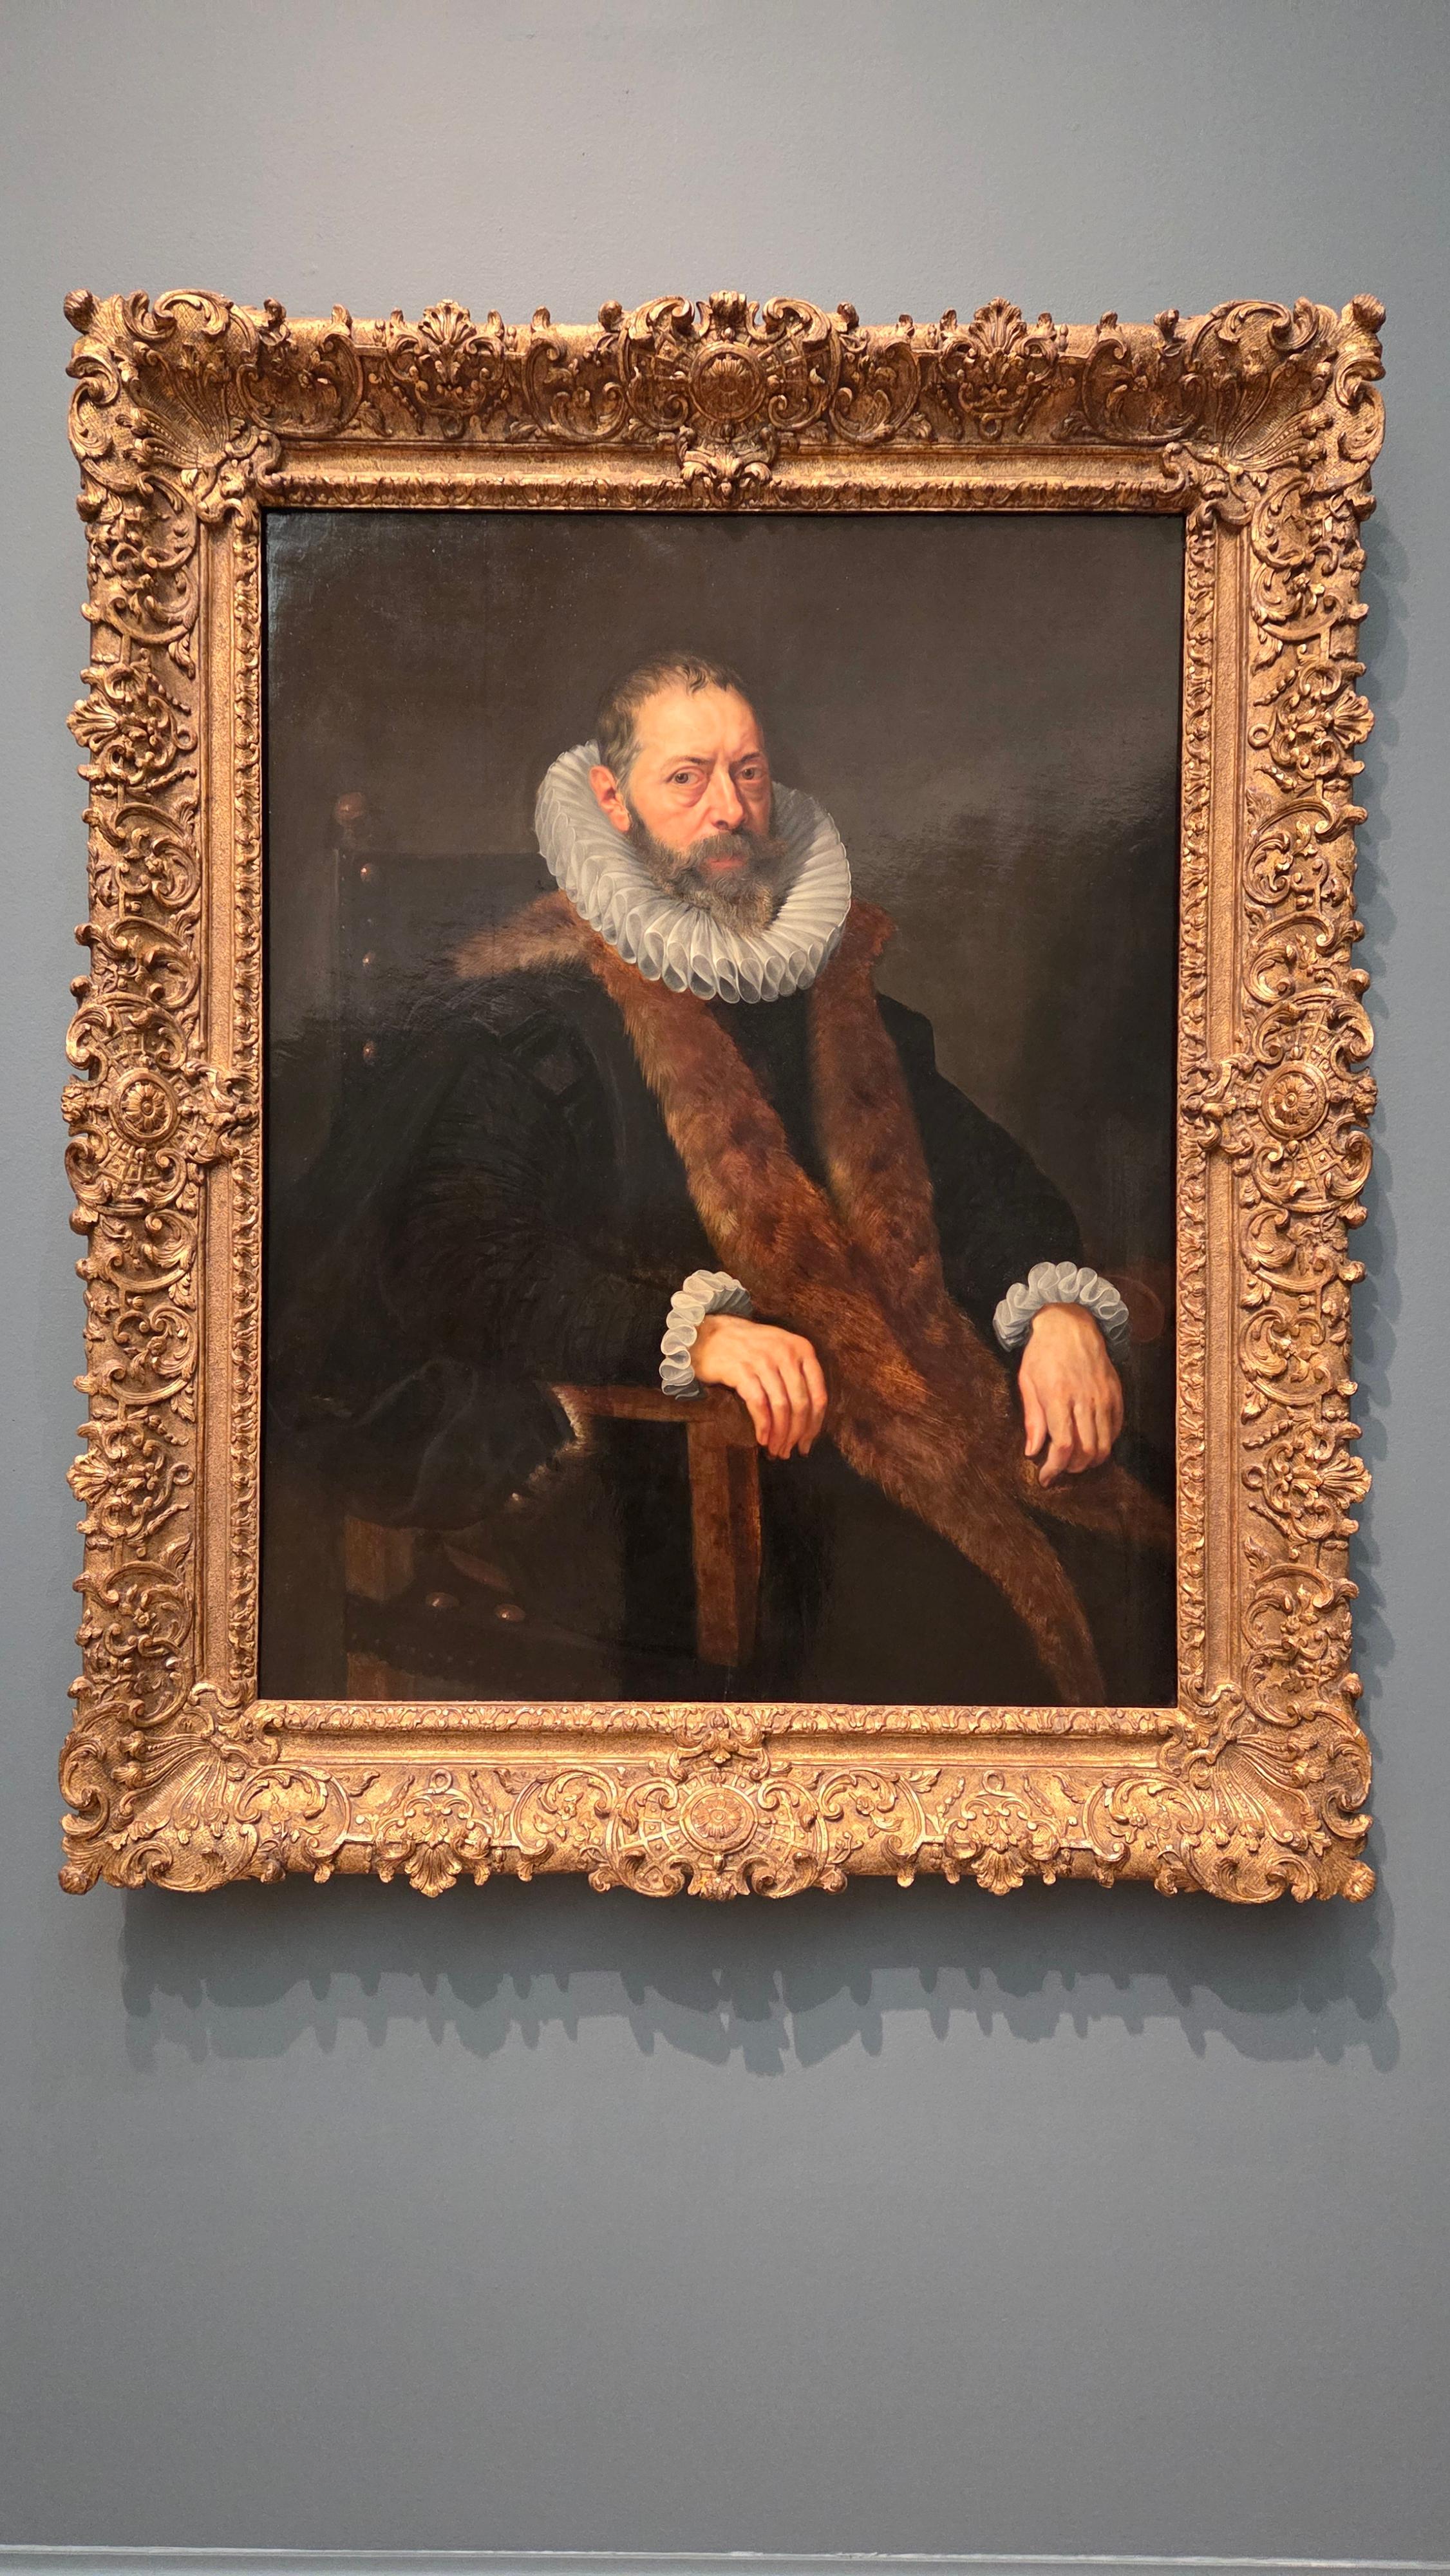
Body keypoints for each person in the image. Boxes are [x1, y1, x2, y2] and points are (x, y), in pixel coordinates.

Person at [268, 654, 1171, 1705]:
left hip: (878, 1428)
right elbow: (464, 1259)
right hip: (661, 1478)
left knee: (1161, 1572)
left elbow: (977, 1176)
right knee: (953, 1638)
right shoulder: (531, 1017)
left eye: (748, 773)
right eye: (687, 779)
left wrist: (1054, 1304)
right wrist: (688, 1335)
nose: (730, 810)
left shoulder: (822, 997)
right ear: (612, 802)